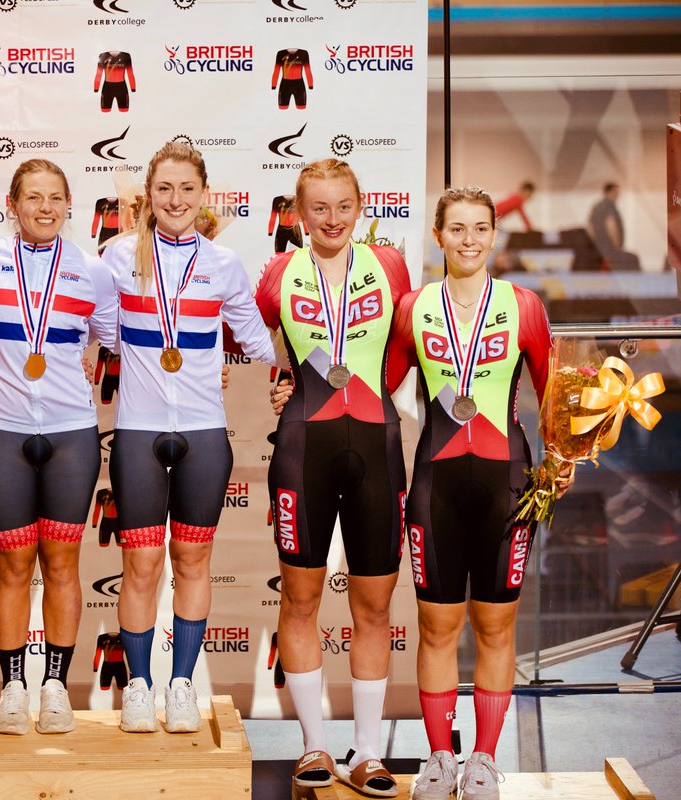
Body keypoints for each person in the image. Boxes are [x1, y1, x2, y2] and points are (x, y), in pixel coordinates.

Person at [391, 187, 572, 800]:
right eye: (456, 228)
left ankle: (485, 760)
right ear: (437, 235)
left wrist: (566, 455)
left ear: (495, 235)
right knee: (436, 628)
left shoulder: (523, 306)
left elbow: (553, 395)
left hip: (508, 487)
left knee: (497, 629)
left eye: (479, 229)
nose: (468, 240)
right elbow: (375, 381)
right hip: (435, 487)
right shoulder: (412, 307)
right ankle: (441, 760)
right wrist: (288, 387)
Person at [102, 140, 277, 734]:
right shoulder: (117, 256)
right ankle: (139, 688)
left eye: (186, 189)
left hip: (203, 432)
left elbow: (257, 342)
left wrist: (303, 368)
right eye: (164, 189)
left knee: (194, 558)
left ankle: (180, 685)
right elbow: (95, 329)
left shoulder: (223, 265)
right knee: (141, 564)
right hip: (138, 432)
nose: (175, 200)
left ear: (204, 196)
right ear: (147, 197)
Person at [255, 158, 411, 797]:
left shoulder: (391, 266)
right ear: (297, 213)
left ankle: (369, 752)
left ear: (360, 205)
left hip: (376, 446)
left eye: (342, 206)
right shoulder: (277, 275)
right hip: (302, 449)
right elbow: (267, 343)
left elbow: (403, 349)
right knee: (300, 601)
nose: (331, 219)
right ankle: (314, 747)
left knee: (373, 608)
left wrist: (373, 394)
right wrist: (283, 386)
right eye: (317, 208)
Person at [0, 159, 118, 736]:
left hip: (71, 433)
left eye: (55, 198)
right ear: (11, 204)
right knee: (12, 564)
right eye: (33, 198)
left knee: (63, 563)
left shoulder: (91, 271)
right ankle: (14, 687)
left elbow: (124, 341)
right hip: (2, 433)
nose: (45, 208)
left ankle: (56, 689)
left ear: (69, 204)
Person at [588, 182, 640, 271]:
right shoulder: (609, 206)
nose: (618, 195)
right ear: (610, 192)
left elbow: (590, 227)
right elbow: (611, 225)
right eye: (616, 192)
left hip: (599, 249)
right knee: (633, 259)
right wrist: (616, 246)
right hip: (610, 249)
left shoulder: (597, 207)